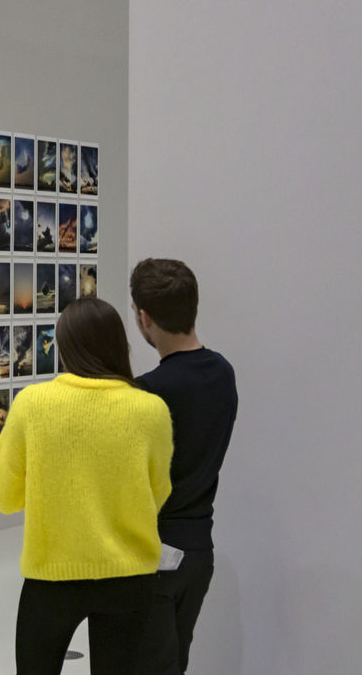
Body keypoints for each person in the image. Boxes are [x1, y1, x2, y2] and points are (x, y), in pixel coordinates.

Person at [0, 296, 174, 675]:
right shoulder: (151, 409)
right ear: (120, 345)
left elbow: (5, 496)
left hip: (51, 577)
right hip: (129, 576)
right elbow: (158, 493)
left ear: (64, 346)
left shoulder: (33, 404)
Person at [130, 259, 238, 674]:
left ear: (144, 317)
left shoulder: (148, 393)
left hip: (154, 553)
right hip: (198, 551)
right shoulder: (223, 373)